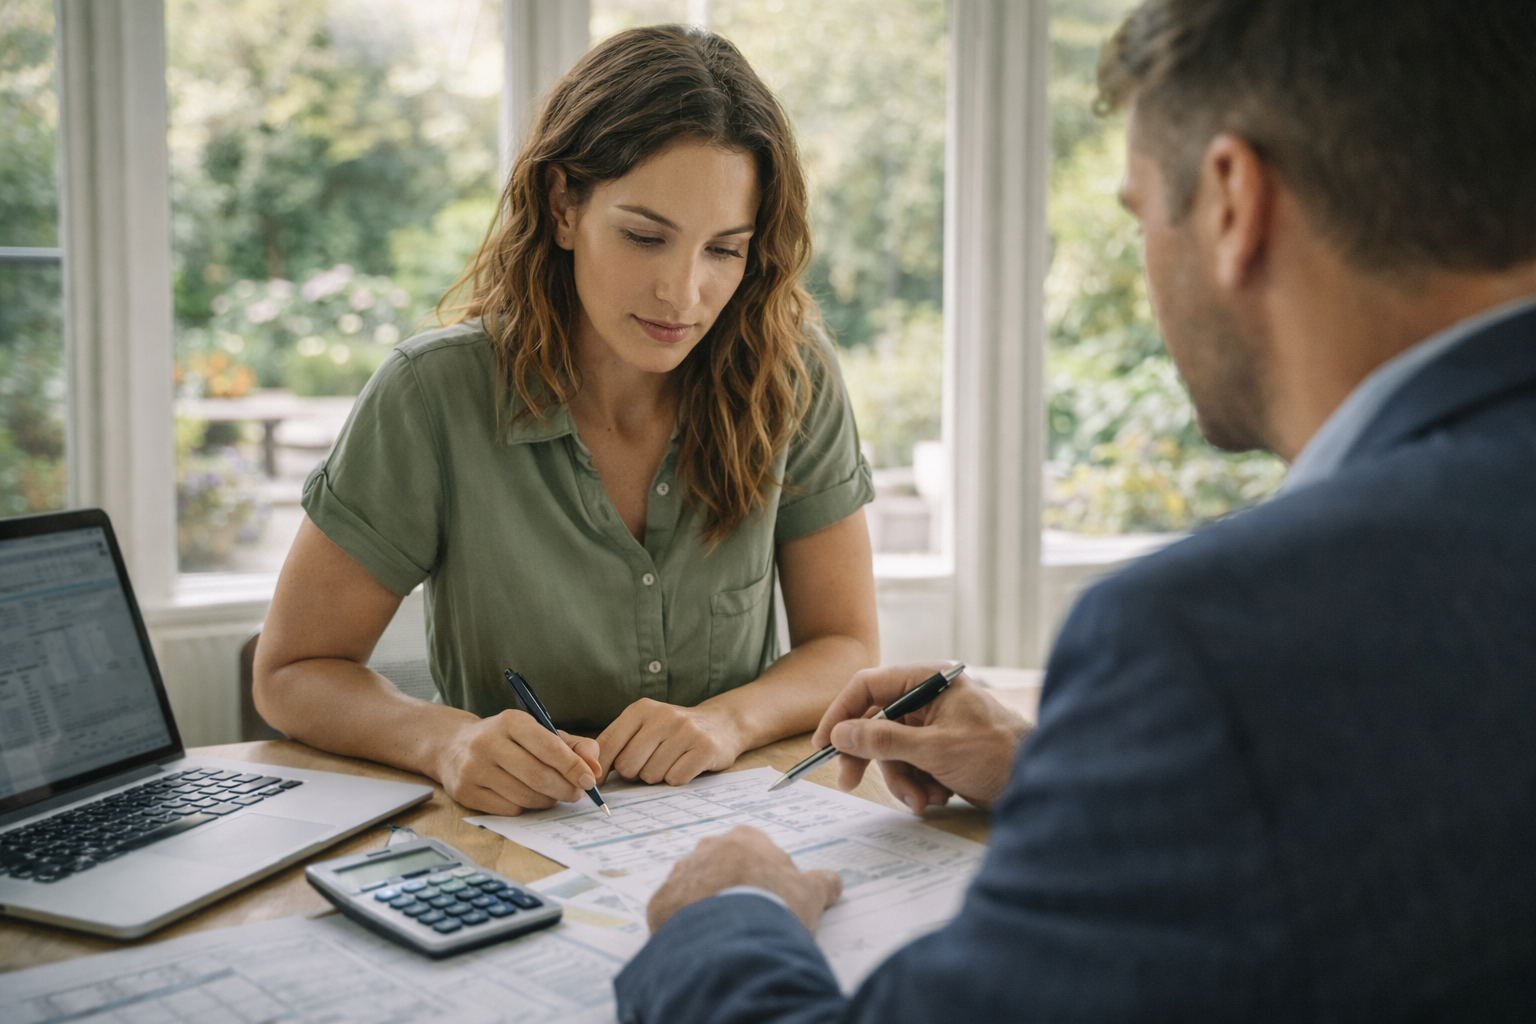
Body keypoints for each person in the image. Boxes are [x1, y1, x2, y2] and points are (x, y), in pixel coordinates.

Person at [613, 0, 1536, 1019]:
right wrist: (1074, 775)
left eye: (1141, 214)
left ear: (1232, 201)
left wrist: (725, 911)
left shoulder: (1219, 643)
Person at [252, 27, 879, 817]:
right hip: (514, 845)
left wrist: (726, 722)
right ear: (562, 206)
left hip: (734, 832)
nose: (681, 295)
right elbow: (293, 670)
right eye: (645, 237)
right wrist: (443, 741)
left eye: (724, 249)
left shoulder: (794, 374)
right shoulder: (431, 396)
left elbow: (846, 646)